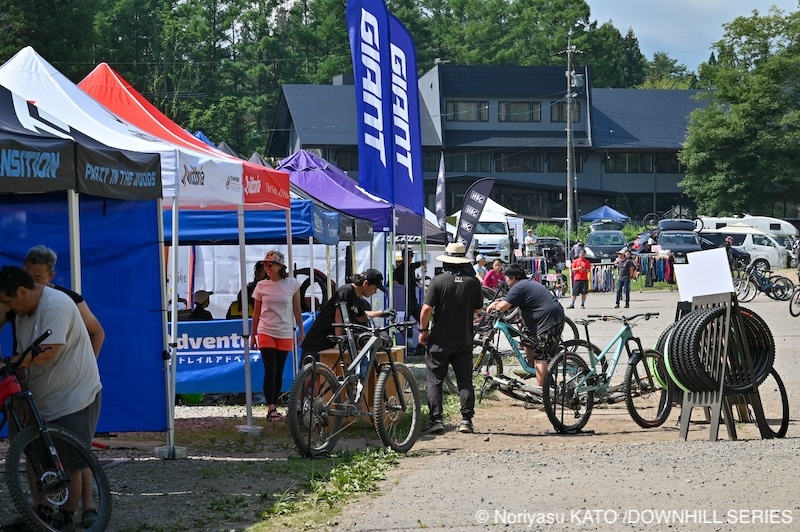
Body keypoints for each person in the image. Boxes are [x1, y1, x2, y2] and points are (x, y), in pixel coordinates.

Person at [0, 266, 102, 530]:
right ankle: (42, 513)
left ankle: (65, 517)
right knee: (34, 453)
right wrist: (22, 393)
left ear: (21, 291)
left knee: (71, 462)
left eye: (7, 301)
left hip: (73, 393)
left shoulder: (57, 305)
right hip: (42, 393)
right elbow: (24, 358)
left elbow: (47, 352)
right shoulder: (24, 311)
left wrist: (5, 365)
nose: (7, 308)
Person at [418, 243, 483, 435]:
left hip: (439, 340)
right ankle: (466, 421)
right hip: (463, 339)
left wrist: (423, 330)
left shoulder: (437, 281)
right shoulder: (473, 283)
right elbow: (478, 310)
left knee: (435, 380)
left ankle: (436, 420)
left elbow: (426, 309)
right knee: (465, 380)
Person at [486, 263, 565, 387]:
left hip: (549, 322)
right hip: (544, 321)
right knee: (526, 340)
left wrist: (493, 305)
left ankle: (540, 393)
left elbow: (503, 306)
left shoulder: (519, 287)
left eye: (506, 278)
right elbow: (510, 302)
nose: (505, 281)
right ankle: (536, 372)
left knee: (540, 356)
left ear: (512, 277)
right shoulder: (525, 284)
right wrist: (498, 302)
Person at [22, 245, 105, 357]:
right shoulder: (11, 296)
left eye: (37, 279)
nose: (30, 283)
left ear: (50, 276)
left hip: (60, 369)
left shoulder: (69, 299)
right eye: (26, 276)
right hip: (22, 369)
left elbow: (97, 332)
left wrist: (89, 366)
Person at [250, 251, 303, 422]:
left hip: (285, 331)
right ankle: (271, 407)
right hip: (266, 330)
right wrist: (253, 335)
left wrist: (301, 331)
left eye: (270, 264)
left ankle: (275, 406)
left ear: (280, 266)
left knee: (279, 371)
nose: (267, 267)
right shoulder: (261, 286)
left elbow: (297, 309)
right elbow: (256, 313)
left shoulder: (292, 284)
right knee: (270, 369)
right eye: (264, 264)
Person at [300, 269, 391, 360]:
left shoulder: (356, 298)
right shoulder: (346, 291)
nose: (375, 292)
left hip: (329, 343)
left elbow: (361, 317)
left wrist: (381, 313)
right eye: (375, 288)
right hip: (317, 342)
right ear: (365, 283)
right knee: (311, 372)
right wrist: (340, 340)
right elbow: (338, 316)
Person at [393, 248, 426, 323]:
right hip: (404, 302)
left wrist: (423, 263)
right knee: (404, 324)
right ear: (403, 257)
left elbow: (419, 264)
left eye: (411, 256)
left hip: (413, 301)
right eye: (408, 256)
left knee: (423, 319)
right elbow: (393, 282)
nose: (410, 258)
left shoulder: (412, 267)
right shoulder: (398, 270)